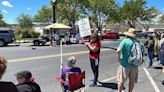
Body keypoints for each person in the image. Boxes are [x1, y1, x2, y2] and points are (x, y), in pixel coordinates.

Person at [116, 28, 144, 92]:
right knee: (132, 81)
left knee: (121, 81)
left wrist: (119, 59)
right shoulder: (139, 43)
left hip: (124, 65)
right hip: (134, 66)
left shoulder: (125, 41)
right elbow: (142, 54)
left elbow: (118, 51)